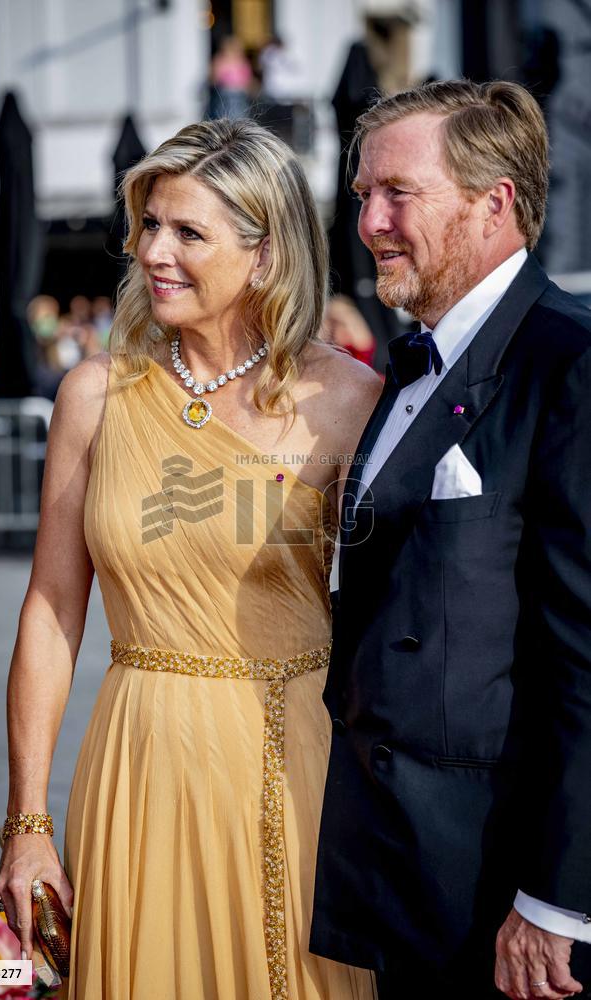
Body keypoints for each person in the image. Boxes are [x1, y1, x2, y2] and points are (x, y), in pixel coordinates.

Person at [0, 117, 381, 1000]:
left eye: (188, 232)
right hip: (140, 760)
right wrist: (28, 820)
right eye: (149, 226)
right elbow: (52, 612)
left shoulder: (348, 400)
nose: (153, 252)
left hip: (295, 764)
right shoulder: (95, 395)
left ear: (265, 253)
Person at [310, 79, 591, 1000]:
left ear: (494, 202)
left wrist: (556, 900)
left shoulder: (571, 362)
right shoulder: (404, 370)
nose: (369, 223)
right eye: (361, 197)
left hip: (506, 889)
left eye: (398, 193)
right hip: (406, 876)